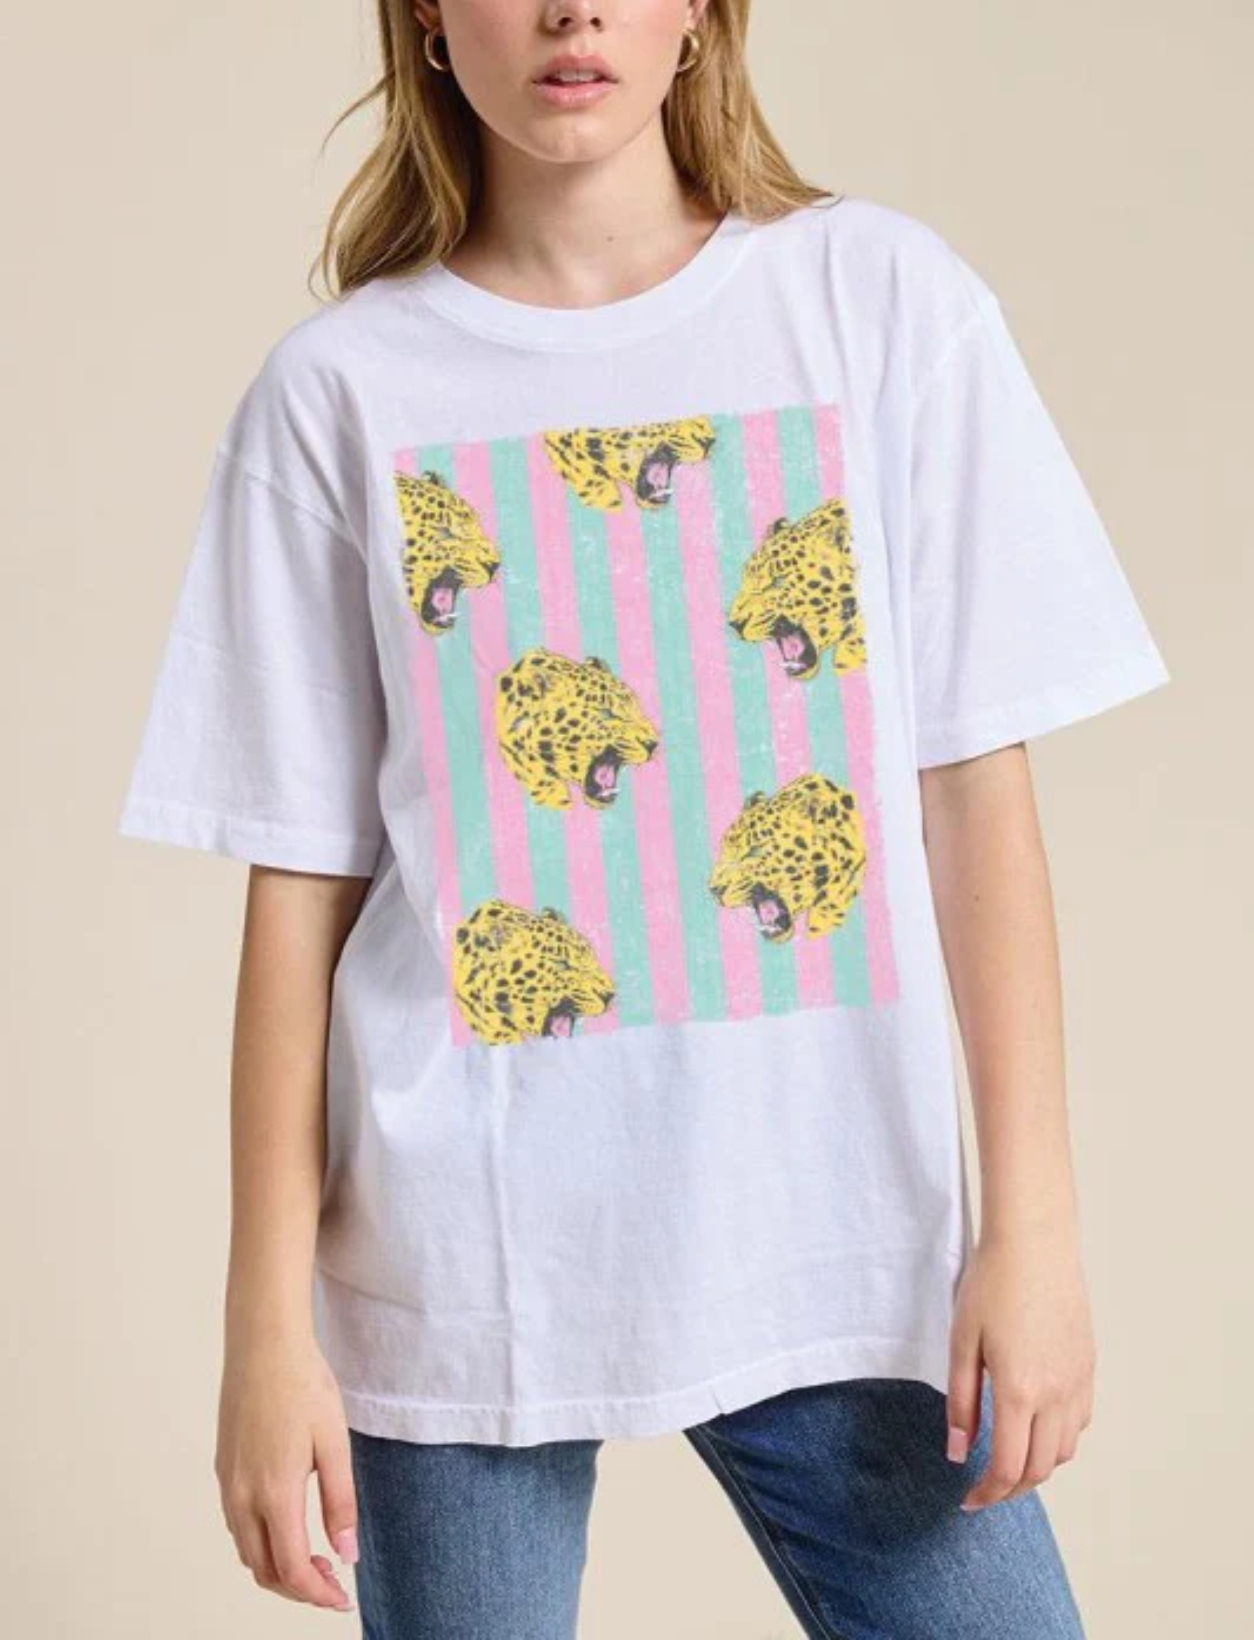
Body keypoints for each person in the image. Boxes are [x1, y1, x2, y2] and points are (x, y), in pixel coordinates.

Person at [116, 2, 1171, 1635]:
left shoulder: (878, 304)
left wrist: (1029, 1230)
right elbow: (300, 892)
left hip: (836, 1246)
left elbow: (974, 796)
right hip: (458, 1281)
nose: (573, 12)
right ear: (424, 18)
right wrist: (264, 1330)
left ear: (701, 13)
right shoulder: (336, 393)